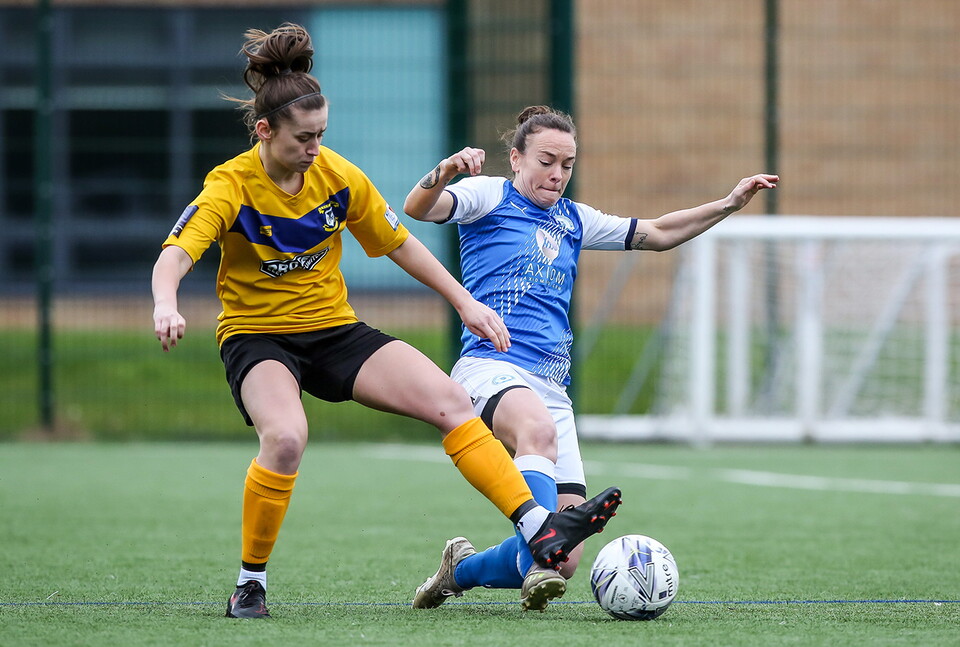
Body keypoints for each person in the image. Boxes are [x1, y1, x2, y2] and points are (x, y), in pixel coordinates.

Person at [151, 29, 623, 620]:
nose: (315, 148)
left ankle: (538, 529)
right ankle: (250, 582)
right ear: (265, 131)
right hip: (258, 336)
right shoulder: (230, 185)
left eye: (322, 135)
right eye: (303, 138)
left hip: (334, 330)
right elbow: (177, 252)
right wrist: (165, 302)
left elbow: (400, 244)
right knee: (287, 438)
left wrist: (462, 301)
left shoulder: (338, 177)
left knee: (452, 401)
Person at [405, 105, 778, 611]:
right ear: (515, 158)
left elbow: (660, 233)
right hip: (492, 367)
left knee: (568, 561)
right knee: (536, 444)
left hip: (551, 390)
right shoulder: (488, 194)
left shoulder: (575, 219)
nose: (556, 174)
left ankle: (460, 571)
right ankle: (541, 552)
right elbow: (418, 207)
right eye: (545, 161)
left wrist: (729, 203)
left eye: (567, 164)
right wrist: (447, 170)